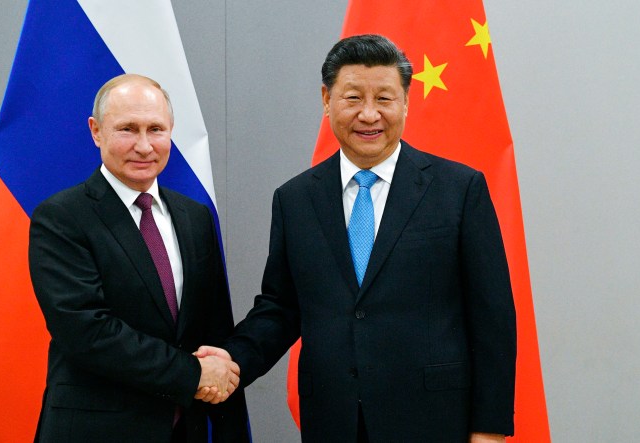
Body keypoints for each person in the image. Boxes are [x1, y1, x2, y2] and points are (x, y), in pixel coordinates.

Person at [199, 34, 517, 442]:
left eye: (384, 99)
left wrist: (489, 430)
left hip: (434, 420)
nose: (369, 115)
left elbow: (492, 318)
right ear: (326, 100)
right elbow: (281, 307)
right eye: (353, 98)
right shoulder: (296, 199)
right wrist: (232, 358)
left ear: (405, 102)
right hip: (334, 420)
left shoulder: (459, 189)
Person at [28, 73, 249, 443]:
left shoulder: (195, 217)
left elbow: (212, 326)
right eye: (128, 129)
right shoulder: (61, 217)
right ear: (96, 131)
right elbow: (87, 332)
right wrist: (192, 375)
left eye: (156, 129)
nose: (144, 146)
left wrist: (221, 381)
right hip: (96, 432)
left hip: (184, 431)